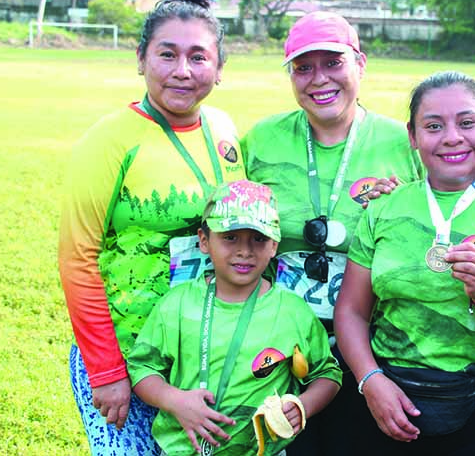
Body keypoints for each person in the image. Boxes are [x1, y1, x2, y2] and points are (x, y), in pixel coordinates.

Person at [58, 0, 246, 455]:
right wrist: (106, 371)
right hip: (126, 357)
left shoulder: (224, 129)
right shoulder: (109, 140)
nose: (183, 70)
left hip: (203, 357)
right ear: (141, 59)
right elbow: (77, 260)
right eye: (167, 54)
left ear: (219, 68)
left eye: (198, 57)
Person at [334, 71, 475, 456]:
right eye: (434, 126)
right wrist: (371, 381)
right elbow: (351, 311)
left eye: (466, 123)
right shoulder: (384, 208)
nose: (452, 137)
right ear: (412, 135)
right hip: (386, 408)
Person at [240, 11, 423, 455]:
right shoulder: (261, 141)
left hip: (372, 349)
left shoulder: (404, 142)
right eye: (303, 67)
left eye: (333, 63)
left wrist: (400, 215)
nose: (319, 79)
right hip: (275, 346)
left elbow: (433, 236)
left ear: (360, 63)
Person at [127, 180, 341, 456]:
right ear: (204, 240)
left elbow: (327, 373)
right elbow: (142, 368)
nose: (245, 251)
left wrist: (303, 406)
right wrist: (175, 400)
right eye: (230, 237)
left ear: (274, 245)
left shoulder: (293, 312)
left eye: (258, 238)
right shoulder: (177, 305)